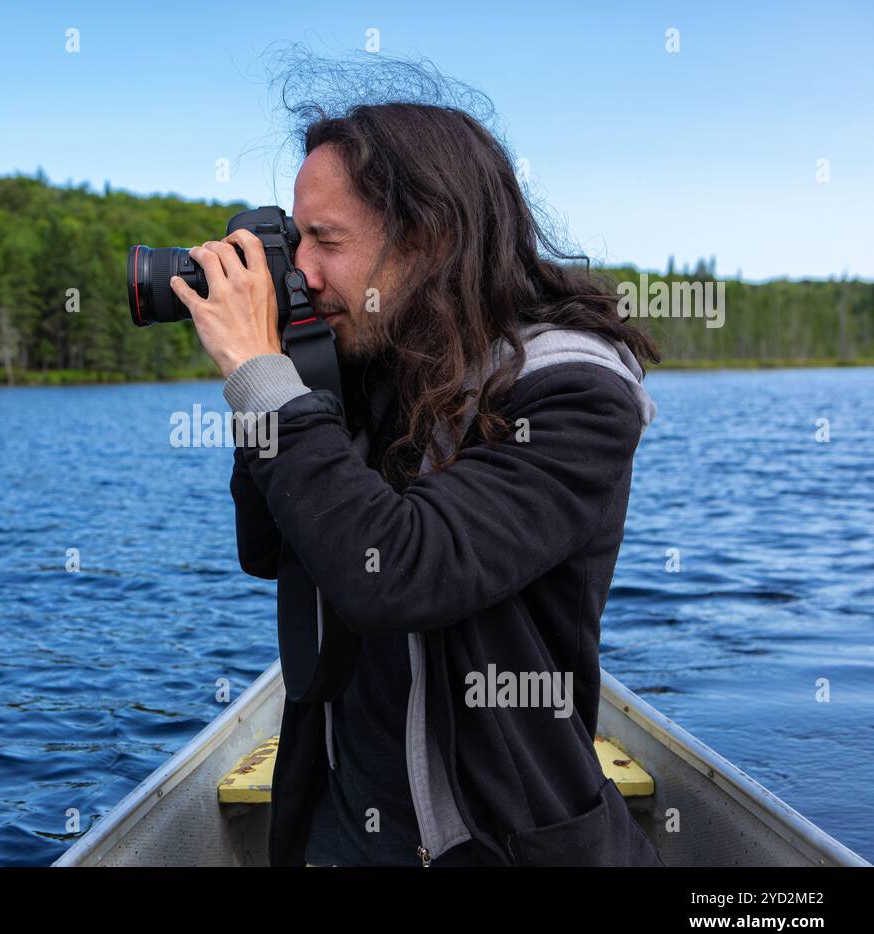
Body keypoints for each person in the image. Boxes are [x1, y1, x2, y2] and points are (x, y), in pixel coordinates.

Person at [169, 97, 665, 867]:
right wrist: (288, 373)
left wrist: (261, 376)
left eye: (325, 242)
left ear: (428, 237)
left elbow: (400, 571)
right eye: (296, 243)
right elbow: (271, 548)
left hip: (494, 842)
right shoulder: (376, 360)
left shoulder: (574, 392)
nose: (301, 271)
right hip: (337, 821)